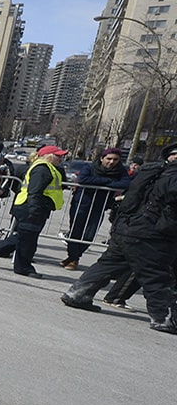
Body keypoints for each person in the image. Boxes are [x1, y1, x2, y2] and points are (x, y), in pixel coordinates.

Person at [60, 143, 177, 334]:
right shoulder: (171, 176)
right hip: (150, 233)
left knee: (109, 263)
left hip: (127, 226)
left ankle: (78, 293)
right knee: (156, 275)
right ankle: (164, 317)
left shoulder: (151, 170)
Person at [0, 145, 67, 279]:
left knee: (24, 237)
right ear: (48, 156)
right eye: (58, 156)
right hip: (31, 207)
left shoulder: (48, 168)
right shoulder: (42, 169)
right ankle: (22, 266)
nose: (61, 158)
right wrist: (34, 209)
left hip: (35, 207)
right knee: (28, 240)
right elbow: (34, 190)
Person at [59, 148, 131, 270]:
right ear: (102, 158)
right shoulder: (90, 167)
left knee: (89, 235)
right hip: (81, 203)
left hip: (99, 206)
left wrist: (101, 184)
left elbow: (125, 183)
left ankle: (74, 257)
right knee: (75, 232)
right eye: (109, 159)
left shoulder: (120, 171)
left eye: (115, 159)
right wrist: (107, 181)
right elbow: (83, 179)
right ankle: (73, 258)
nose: (112, 162)